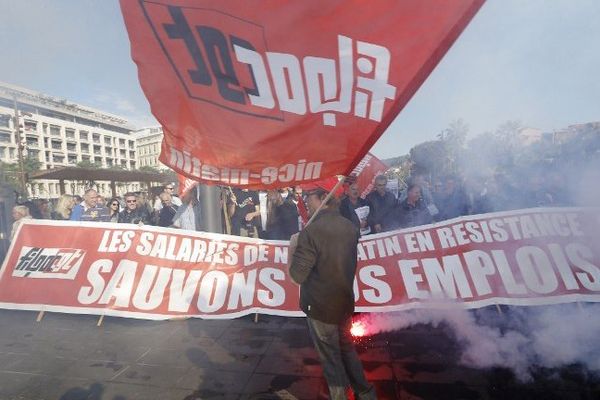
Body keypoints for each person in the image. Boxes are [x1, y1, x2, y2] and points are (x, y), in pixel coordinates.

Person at [288, 181, 377, 400]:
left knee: (331, 357)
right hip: (344, 302)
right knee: (347, 350)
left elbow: (296, 277)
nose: (305, 202)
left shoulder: (310, 232)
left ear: (322, 198)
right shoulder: (349, 227)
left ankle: (340, 397)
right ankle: (365, 392)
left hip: (320, 307)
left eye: (309, 196)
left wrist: (293, 247)